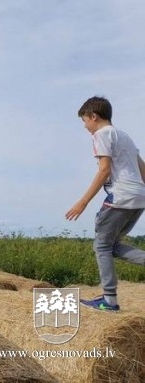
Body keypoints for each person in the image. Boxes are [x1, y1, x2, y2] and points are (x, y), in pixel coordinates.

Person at [65, 96, 145, 311]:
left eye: (85, 121)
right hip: (138, 197)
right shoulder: (125, 136)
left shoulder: (101, 134)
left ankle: (109, 300)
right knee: (112, 246)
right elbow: (142, 168)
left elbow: (104, 169)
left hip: (120, 197)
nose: (85, 127)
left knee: (101, 245)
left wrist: (82, 202)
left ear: (94, 116)